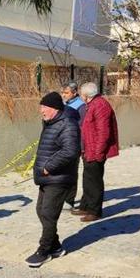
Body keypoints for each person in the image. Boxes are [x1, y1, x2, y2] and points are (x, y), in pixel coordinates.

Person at [25, 92, 80, 268]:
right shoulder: (50, 123)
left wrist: (49, 167)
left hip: (59, 177)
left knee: (48, 213)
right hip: (47, 177)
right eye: (41, 107)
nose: (41, 111)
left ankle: (44, 250)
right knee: (41, 210)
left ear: (54, 109)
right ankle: (56, 247)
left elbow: (70, 151)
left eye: (44, 108)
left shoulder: (68, 125)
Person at [72, 82, 120, 222]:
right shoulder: (91, 104)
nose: (80, 96)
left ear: (86, 95)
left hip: (95, 151)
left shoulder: (100, 105)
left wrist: (98, 153)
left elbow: (103, 132)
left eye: (81, 93)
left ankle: (94, 211)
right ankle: (85, 206)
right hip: (88, 149)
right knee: (87, 179)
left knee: (94, 181)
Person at [61, 82, 86, 210]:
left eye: (66, 93)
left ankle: (69, 199)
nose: (64, 95)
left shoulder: (80, 106)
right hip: (62, 143)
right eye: (63, 92)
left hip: (74, 143)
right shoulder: (64, 104)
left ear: (74, 93)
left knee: (71, 172)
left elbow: (81, 126)